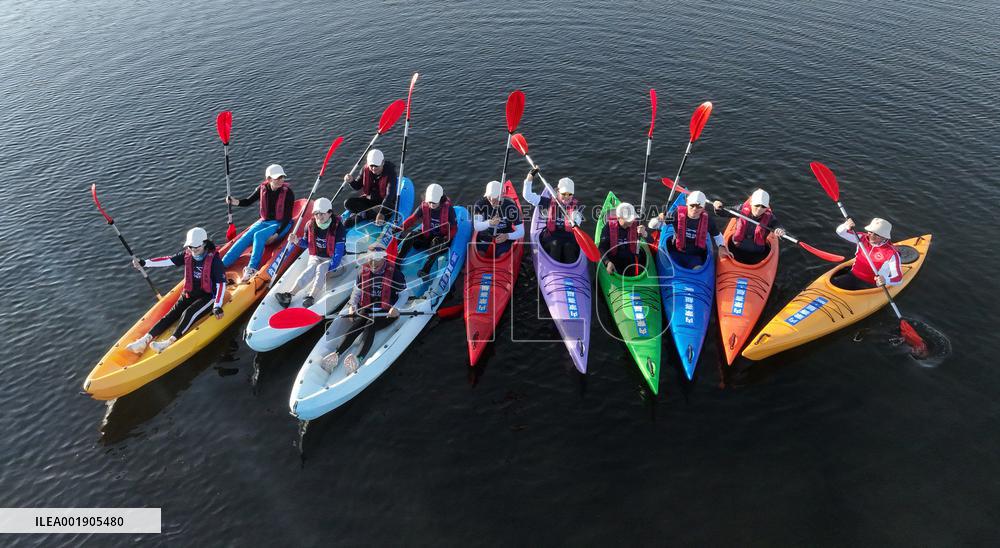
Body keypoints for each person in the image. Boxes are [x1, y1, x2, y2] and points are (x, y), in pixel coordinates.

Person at [125, 228, 226, 354]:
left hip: (208, 296)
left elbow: (221, 284)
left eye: (197, 246)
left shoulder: (215, 261)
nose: (194, 249)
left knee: (188, 313)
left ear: (205, 243)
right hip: (189, 293)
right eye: (191, 246)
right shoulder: (187, 255)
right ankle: (145, 339)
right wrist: (145, 263)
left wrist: (217, 305)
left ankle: (169, 342)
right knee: (172, 313)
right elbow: (167, 260)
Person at [322, 243, 407, 373]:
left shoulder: (396, 274)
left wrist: (397, 308)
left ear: (383, 258)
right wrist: (352, 306)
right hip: (367, 309)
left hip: (386, 313)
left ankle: (359, 358)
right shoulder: (362, 272)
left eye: (377, 259)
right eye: (370, 258)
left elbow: (404, 295)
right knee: (355, 327)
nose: (373, 262)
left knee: (370, 325)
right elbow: (356, 292)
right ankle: (337, 354)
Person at [223, 164, 295, 281]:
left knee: (258, 235)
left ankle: (252, 268)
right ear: (269, 179)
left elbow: (287, 218)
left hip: (280, 224)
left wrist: (276, 234)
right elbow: (248, 201)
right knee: (246, 237)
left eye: (282, 177)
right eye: (278, 178)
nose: (281, 180)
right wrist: (234, 202)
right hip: (265, 221)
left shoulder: (288, 193)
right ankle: (223, 264)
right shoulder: (262, 189)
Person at [275, 197, 346, 308]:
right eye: (317, 214)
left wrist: (330, 269)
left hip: (332, 259)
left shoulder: (338, 227)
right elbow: (306, 244)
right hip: (316, 256)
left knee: (320, 268)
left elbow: (339, 252)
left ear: (330, 213)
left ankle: (311, 296)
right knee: (311, 267)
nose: (319, 217)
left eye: (322, 214)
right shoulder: (310, 225)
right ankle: (289, 294)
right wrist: (296, 241)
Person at [649, 190, 732, 269]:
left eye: (699, 207)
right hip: (676, 251)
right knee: (670, 266)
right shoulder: (676, 214)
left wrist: (721, 246)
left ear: (703, 208)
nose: (695, 209)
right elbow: (651, 226)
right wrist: (658, 219)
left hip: (695, 255)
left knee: (697, 269)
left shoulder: (708, 221)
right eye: (692, 206)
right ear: (687, 203)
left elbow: (717, 235)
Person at [522, 166, 584, 263]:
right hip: (551, 237)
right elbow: (527, 196)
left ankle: (570, 273)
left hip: (569, 239)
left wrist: (575, 221)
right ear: (558, 192)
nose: (566, 197)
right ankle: (555, 272)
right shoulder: (547, 202)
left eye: (569, 194)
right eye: (563, 194)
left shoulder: (576, 206)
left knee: (569, 248)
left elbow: (577, 218)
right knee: (555, 245)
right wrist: (530, 177)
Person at [397, 183, 457, 278]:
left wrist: (447, 238)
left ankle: (425, 270)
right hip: (427, 236)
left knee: (436, 242)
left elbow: (454, 228)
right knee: (411, 235)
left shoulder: (449, 209)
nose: (431, 205)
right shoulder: (423, 207)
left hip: (440, 239)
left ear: (441, 200)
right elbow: (412, 219)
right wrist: (399, 228)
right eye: (430, 202)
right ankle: (398, 261)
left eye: (434, 203)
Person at [712, 188, 786, 264]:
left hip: (757, 251)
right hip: (738, 246)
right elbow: (723, 213)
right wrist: (718, 208)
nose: (759, 209)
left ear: (766, 208)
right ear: (751, 203)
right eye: (757, 205)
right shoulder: (740, 209)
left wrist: (780, 230)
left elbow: (777, 225)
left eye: (763, 206)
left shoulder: (770, 217)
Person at [830, 217, 902, 290]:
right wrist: (845, 225)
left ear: (885, 237)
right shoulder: (862, 238)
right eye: (870, 232)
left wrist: (886, 280)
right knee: (833, 283)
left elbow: (898, 278)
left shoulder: (892, 253)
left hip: (870, 284)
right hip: (853, 275)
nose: (872, 236)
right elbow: (840, 232)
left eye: (877, 234)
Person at [342, 149, 398, 228]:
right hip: (370, 201)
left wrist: (381, 212)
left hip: (384, 204)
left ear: (383, 162)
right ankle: (366, 215)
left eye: (376, 165)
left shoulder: (391, 173)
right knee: (347, 203)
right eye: (371, 165)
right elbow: (357, 186)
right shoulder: (365, 170)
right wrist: (351, 181)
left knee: (379, 212)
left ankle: (361, 215)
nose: (374, 168)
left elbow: (390, 195)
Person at [472, 180, 524, 257]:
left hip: (503, 237)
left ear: (502, 196)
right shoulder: (480, 204)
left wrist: (507, 236)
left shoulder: (511, 207)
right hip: (485, 236)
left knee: (503, 255)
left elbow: (521, 232)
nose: (492, 202)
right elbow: (476, 226)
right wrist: (490, 223)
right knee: (479, 255)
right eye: (489, 198)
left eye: (495, 200)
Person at [599, 201, 649, 276]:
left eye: (632, 218)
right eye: (628, 219)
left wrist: (644, 233)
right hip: (615, 260)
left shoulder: (638, 224)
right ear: (619, 218)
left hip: (632, 259)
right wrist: (607, 262)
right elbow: (601, 248)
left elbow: (650, 240)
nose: (632, 221)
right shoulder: (607, 228)